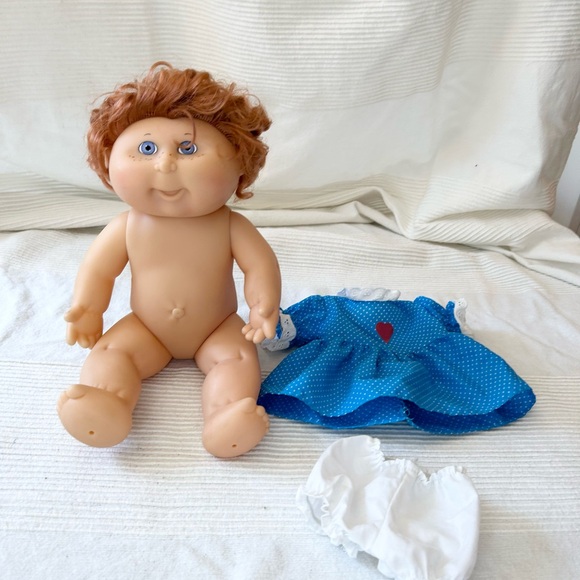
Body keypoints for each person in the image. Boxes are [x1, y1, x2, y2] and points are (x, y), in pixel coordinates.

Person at [57, 62, 281, 458]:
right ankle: (105, 402)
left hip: (217, 326)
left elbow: (259, 266)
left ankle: (227, 416)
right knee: (111, 352)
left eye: (187, 149)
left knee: (238, 358)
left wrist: (263, 307)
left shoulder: (231, 225)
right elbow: (98, 269)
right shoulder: (126, 226)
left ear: (239, 163)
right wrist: (89, 309)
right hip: (147, 327)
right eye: (147, 149)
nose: (164, 164)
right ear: (109, 160)